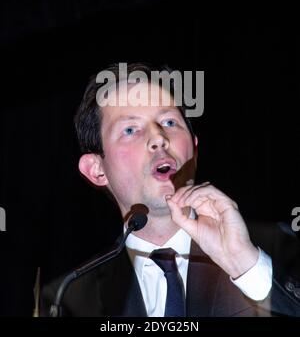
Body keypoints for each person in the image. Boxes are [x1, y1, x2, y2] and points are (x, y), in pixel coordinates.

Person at [40, 62, 300, 317]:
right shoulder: (69, 299)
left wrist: (246, 264)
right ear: (97, 170)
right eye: (130, 129)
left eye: (169, 122)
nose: (158, 138)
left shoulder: (283, 246)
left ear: (194, 150)